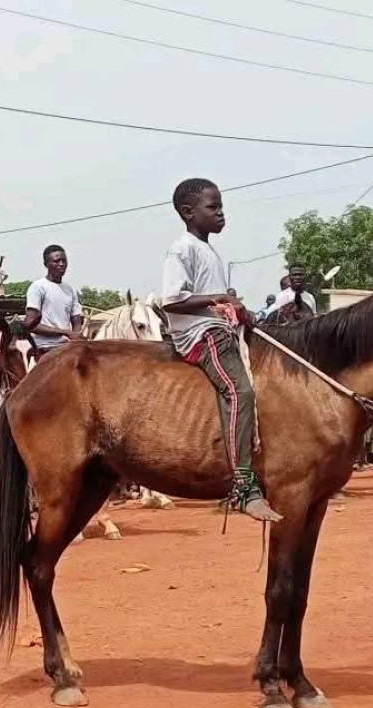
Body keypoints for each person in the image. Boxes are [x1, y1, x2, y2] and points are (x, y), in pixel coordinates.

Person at [159, 179, 280, 523]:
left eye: (221, 206)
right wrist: (222, 299)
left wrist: (239, 310)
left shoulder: (208, 249)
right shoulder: (182, 249)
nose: (221, 213)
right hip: (198, 335)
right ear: (188, 212)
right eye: (213, 208)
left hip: (217, 326)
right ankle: (242, 485)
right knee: (240, 390)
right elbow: (173, 300)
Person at [24, 244, 83, 356]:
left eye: (64, 261)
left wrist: (76, 338)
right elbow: (30, 324)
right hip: (45, 348)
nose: (61, 264)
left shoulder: (70, 290)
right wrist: (65, 332)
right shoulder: (38, 287)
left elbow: (77, 321)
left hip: (68, 347)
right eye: (56, 261)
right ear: (46, 264)